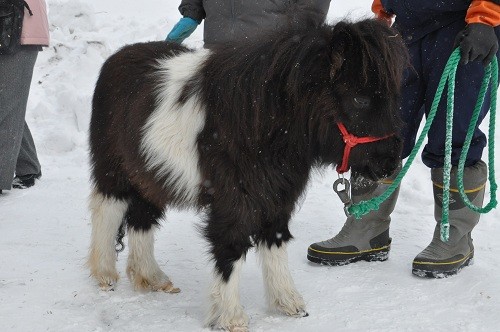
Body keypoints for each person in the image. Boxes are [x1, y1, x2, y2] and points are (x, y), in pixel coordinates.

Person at [307, 0, 500, 278]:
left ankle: (455, 235)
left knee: (453, 133)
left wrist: (486, 17)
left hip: (464, 27)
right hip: (407, 28)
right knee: (377, 125)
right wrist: (383, 10)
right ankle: (367, 227)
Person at [0, 0, 49, 195]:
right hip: (6, 23)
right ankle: (28, 167)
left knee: (6, 106)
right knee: (9, 104)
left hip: (20, 29)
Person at [166, 0, 331, 48]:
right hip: (216, 52)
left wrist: (292, 29)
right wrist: (192, 12)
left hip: (267, 53)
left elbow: (314, 5)